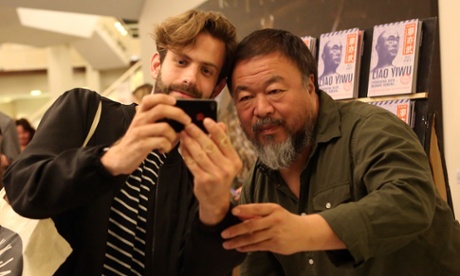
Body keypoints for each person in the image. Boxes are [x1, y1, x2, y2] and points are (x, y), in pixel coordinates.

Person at [3, 9, 246, 275]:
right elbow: (21, 188)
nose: (190, 77)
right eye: (181, 62)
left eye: (206, 70)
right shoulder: (86, 109)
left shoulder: (196, 168)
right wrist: (108, 160)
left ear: (217, 87)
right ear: (156, 65)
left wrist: (215, 210)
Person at [221, 28, 460, 275]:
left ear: (310, 84)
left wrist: (305, 231)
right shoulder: (257, 185)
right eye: (246, 97)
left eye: (274, 91)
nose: (261, 109)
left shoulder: (369, 129)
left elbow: (411, 200)